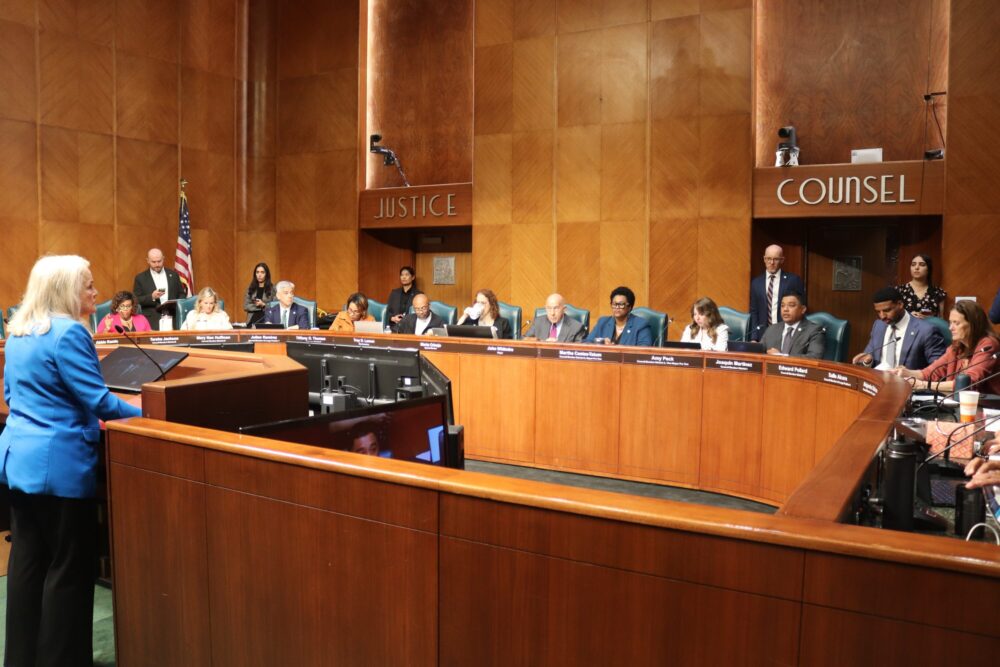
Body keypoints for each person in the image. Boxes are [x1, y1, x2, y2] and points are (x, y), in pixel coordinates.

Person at [1, 255, 142, 666]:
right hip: (58, 467)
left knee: (28, 564)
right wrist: (151, 411)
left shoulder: (19, 332)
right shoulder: (68, 334)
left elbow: (12, 398)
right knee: (67, 569)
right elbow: (98, 401)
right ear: (66, 290)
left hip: (18, 462)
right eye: (89, 286)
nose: (96, 294)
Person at [894, 300, 1000, 394]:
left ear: (973, 324)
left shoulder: (988, 345)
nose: (950, 328)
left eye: (956, 323)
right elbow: (930, 372)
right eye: (950, 322)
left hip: (989, 408)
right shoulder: (956, 347)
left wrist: (923, 385)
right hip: (958, 405)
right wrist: (906, 373)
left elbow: (968, 383)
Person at [852, 286, 946, 370]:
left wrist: (912, 375)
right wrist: (867, 361)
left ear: (900, 304)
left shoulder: (926, 331)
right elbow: (869, 355)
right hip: (878, 382)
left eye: (887, 310)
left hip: (908, 386)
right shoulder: (878, 325)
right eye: (878, 312)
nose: (882, 316)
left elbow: (938, 370)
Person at [748, 244, 805, 342]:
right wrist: (754, 337)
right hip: (763, 335)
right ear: (764, 259)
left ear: (782, 260)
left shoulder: (793, 280)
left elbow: (801, 309)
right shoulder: (756, 283)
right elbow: (754, 312)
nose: (772, 262)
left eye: (776, 259)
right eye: (768, 259)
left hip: (786, 334)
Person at [132, 247, 186, 330]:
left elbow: (181, 294)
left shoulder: (173, 275)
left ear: (163, 259)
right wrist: (152, 297)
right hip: (152, 320)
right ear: (148, 261)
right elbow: (136, 300)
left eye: (159, 261)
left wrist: (175, 303)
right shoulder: (140, 278)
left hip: (173, 318)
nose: (157, 264)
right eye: (153, 262)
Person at [761, 290, 825, 359]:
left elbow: (815, 357)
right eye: (782, 306)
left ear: (803, 309)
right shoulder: (772, 329)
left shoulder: (815, 331)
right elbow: (758, 352)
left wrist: (781, 356)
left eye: (791, 305)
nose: (785, 309)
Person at [585, 286, 653, 347]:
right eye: (614, 304)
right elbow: (586, 343)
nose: (617, 307)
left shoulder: (641, 325)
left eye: (621, 304)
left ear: (630, 307)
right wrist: (600, 342)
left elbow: (644, 348)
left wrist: (620, 349)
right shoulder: (603, 322)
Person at [896, 253, 947, 319]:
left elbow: (941, 319)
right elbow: (893, 317)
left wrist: (929, 318)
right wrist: (908, 316)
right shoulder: (899, 290)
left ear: (928, 269)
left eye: (922, 265)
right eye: (913, 264)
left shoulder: (938, 292)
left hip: (931, 328)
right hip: (906, 328)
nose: (916, 267)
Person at [386, 266, 422, 330]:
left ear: (413, 277)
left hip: (411, 328)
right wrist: (392, 318)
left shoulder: (418, 294)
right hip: (394, 326)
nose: (404, 277)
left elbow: (421, 314)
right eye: (402, 275)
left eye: (407, 274)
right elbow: (387, 311)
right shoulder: (394, 293)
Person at [243, 262, 275, 327]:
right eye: (257, 272)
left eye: (262, 272)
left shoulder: (273, 289)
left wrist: (263, 305)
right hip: (252, 320)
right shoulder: (250, 288)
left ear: (266, 274)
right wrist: (259, 307)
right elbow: (246, 306)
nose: (259, 275)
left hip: (267, 319)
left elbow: (275, 307)